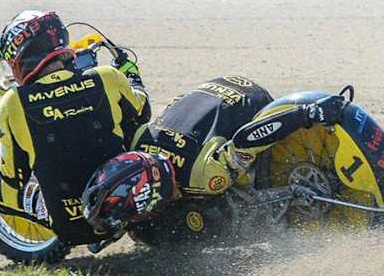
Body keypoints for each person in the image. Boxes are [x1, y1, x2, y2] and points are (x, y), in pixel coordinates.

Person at [82, 76, 346, 237]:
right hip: (212, 88)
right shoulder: (137, 141)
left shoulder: (203, 176)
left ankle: (306, 120)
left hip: (251, 101)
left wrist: (307, 114)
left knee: (233, 190)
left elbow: (247, 142)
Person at [0, 10, 150, 246]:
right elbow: (143, 113)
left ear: (22, 54)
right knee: (136, 129)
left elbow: (13, 178)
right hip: (129, 209)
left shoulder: (13, 103)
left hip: (72, 227)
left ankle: (39, 226)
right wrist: (131, 75)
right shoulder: (107, 77)